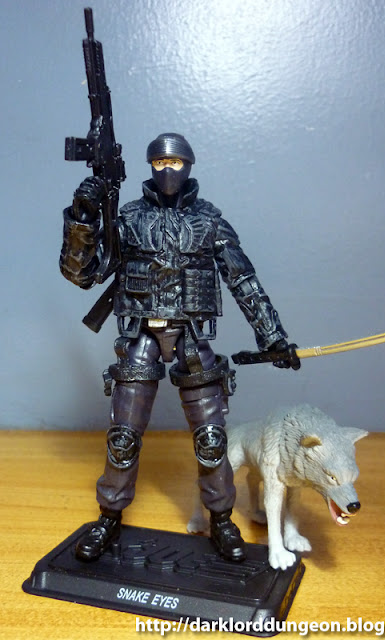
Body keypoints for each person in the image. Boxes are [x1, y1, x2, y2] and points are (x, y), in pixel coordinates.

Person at [60, 133, 297, 563]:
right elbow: (81, 273)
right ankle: (109, 516)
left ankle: (221, 519)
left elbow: (243, 280)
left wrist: (273, 337)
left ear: (188, 165)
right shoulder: (129, 219)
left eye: (174, 162)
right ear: (150, 166)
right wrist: (83, 218)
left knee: (211, 439)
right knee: (123, 437)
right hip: (141, 334)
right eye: (159, 163)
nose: (167, 170)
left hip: (191, 335)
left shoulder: (209, 222)